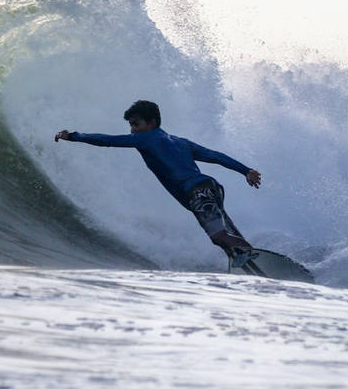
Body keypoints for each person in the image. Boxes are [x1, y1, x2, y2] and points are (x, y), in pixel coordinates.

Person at [54, 99, 262, 269]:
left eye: (136, 124)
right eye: (131, 125)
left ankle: (249, 252)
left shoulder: (144, 139)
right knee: (225, 232)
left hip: (196, 192)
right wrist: (246, 170)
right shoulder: (181, 142)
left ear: (151, 122)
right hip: (211, 187)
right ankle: (243, 256)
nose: (133, 130)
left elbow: (106, 140)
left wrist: (73, 136)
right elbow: (215, 156)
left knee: (218, 236)